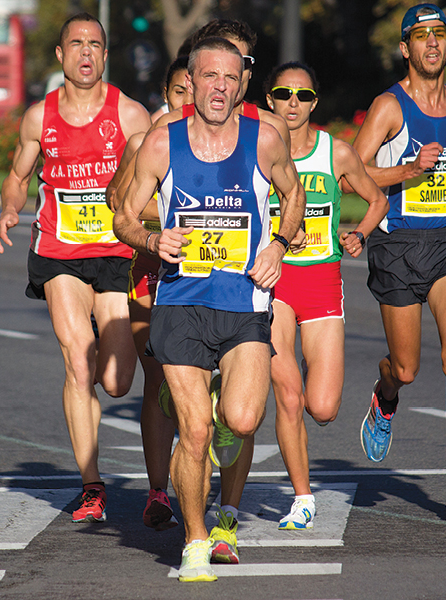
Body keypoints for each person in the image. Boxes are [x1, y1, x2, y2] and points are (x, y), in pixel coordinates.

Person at [114, 37, 305, 582]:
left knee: (240, 420)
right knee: (195, 432)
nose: (220, 87)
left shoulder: (265, 138)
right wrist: (153, 240)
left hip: (244, 301)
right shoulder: (161, 143)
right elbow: (123, 217)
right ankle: (196, 540)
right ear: (191, 82)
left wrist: (278, 245)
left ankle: (221, 406)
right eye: (209, 76)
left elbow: (294, 195)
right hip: (181, 302)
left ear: (241, 84)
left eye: (230, 77)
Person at [0, 13, 151, 523]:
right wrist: (9, 208)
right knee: (78, 363)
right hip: (59, 252)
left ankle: (101, 353)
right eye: (76, 44)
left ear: (105, 55)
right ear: (60, 55)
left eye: (95, 44)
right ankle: (91, 485)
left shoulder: (130, 115)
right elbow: (18, 176)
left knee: (117, 380)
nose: (85, 52)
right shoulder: (39, 117)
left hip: (116, 253)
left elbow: (159, 179)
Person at [351, 4, 446, 512]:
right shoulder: (389, 107)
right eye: (421, 35)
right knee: (407, 368)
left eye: (440, 33)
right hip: (397, 247)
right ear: (405, 48)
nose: (432, 42)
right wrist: (409, 170)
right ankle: (385, 396)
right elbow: (351, 171)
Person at [263, 62, 388, 529]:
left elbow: (377, 199)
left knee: (322, 407)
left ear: (315, 102)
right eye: (283, 93)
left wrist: (360, 234)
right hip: (273, 283)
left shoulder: (336, 153)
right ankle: (302, 497)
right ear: (269, 100)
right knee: (288, 395)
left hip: (321, 284)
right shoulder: (257, 150)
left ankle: (354, 388)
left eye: (303, 95)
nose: (292, 103)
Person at [105, 55, 191, 532]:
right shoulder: (145, 143)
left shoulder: (227, 143)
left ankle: (197, 474)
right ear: (166, 94)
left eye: (195, 90)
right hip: (151, 273)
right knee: (158, 377)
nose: (188, 100)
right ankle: (159, 490)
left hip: (209, 276)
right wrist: (175, 214)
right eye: (179, 92)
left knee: (200, 380)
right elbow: (118, 201)